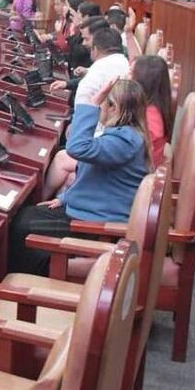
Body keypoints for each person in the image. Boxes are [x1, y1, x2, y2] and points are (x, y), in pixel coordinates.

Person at [11, 79, 151, 275]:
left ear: (113, 107)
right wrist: (65, 198)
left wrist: (91, 105)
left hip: (98, 220)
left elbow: (76, 148)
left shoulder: (124, 141)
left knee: (20, 226)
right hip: (92, 209)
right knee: (25, 215)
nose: (100, 106)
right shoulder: (125, 135)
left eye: (103, 103)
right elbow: (94, 173)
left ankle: (34, 277)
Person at [130, 55, 172, 168]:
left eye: (131, 74)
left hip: (135, 176)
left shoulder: (151, 118)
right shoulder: (147, 108)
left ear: (142, 81)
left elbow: (129, 153)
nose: (126, 78)